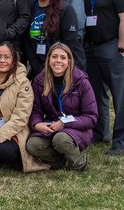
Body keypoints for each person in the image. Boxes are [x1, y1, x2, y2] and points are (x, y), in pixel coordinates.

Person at [81, 0, 124, 155]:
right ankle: (100, 132)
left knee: (120, 96)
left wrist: (121, 48)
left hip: (113, 46)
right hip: (91, 48)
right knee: (96, 93)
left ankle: (122, 141)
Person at [0, 42, 48, 172]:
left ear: (13, 60)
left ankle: (1, 154)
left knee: (4, 152)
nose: (2, 60)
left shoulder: (23, 82)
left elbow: (21, 117)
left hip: (13, 132)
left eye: (7, 57)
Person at [26, 43, 98, 171]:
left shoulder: (81, 82)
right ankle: (60, 162)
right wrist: (37, 124)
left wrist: (64, 124)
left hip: (77, 128)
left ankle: (79, 163)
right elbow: (36, 110)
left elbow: (91, 117)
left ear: (69, 61)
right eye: (54, 57)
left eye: (63, 58)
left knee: (61, 139)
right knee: (32, 145)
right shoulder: (39, 81)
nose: (58, 61)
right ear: (48, 60)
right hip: (51, 127)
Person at [21, 0, 85, 79]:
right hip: (39, 66)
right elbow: (27, 43)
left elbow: (69, 42)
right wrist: (37, 67)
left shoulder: (64, 9)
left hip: (63, 65)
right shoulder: (30, 8)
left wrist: (55, 67)